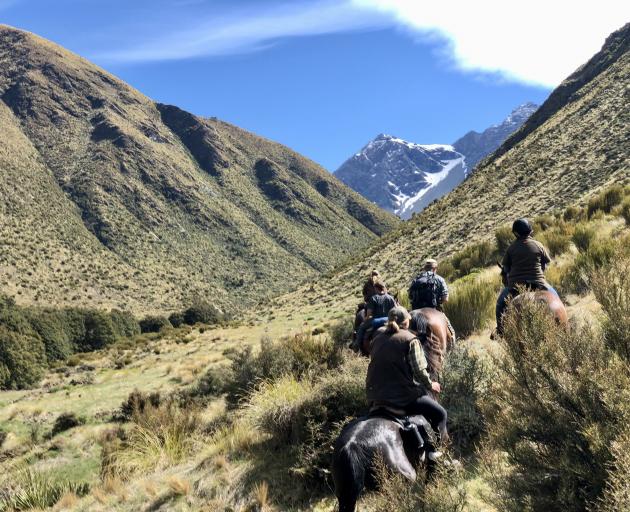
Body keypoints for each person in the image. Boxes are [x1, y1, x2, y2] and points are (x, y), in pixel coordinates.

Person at [366, 306, 447, 460]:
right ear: (406, 322)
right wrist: (431, 384)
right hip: (400, 397)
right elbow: (419, 371)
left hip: (374, 395)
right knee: (440, 414)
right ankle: (436, 454)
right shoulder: (410, 339)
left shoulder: (377, 335)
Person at [494, 218, 559, 335]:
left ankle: (500, 330)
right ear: (530, 231)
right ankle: (563, 319)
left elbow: (506, 269)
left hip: (516, 286)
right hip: (539, 283)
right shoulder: (538, 245)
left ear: (515, 233)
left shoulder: (511, 249)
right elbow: (546, 263)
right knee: (555, 296)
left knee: (500, 304)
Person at [409, 259, 455, 343]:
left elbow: (410, 297)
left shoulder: (415, 280)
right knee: (452, 334)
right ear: (434, 269)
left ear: (425, 268)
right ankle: (452, 348)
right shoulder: (439, 279)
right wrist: (439, 301)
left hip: (415, 312)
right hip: (434, 309)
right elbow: (446, 299)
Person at [351, 281, 396, 351]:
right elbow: (395, 310)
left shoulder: (374, 298)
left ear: (376, 288)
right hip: (388, 320)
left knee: (362, 327)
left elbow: (369, 314)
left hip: (376, 321)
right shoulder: (390, 298)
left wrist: (366, 319)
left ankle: (356, 345)